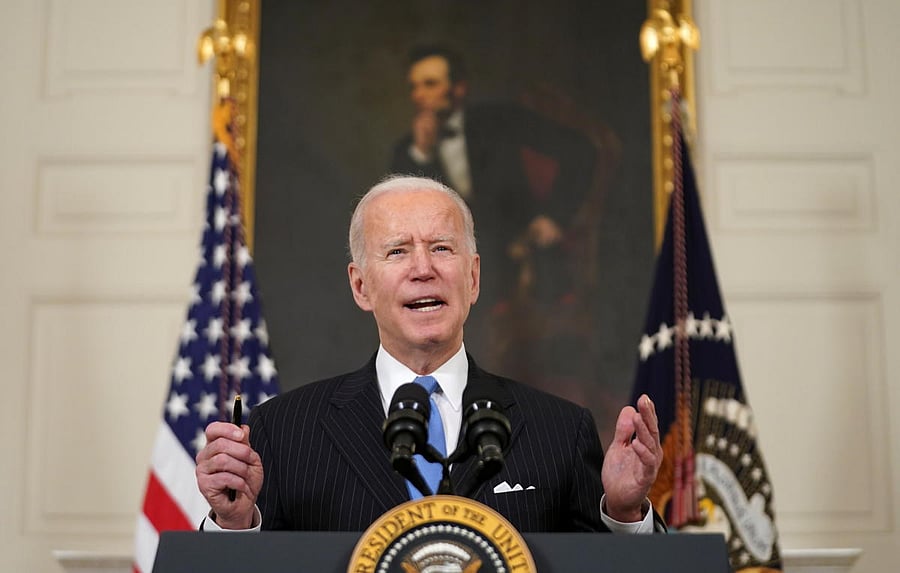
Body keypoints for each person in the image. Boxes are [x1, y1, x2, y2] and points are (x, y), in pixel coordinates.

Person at [196, 175, 663, 533]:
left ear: (473, 278)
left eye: (442, 248)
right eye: (398, 251)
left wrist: (624, 512)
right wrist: (234, 523)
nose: (424, 269)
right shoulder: (281, 431)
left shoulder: (560, 431)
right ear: (361, 286)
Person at [389, 46, 597, 359]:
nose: (419, 95)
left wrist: (554, 216)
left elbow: (581, 150)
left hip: (523, 257)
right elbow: (403, 217)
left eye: (430, 84)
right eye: (414, 87)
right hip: (448, 269)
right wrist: (423, 154)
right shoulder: (408, 151)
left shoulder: (501, 120)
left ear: (458, 88)